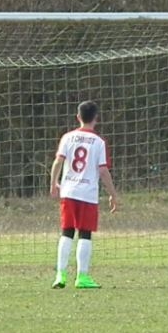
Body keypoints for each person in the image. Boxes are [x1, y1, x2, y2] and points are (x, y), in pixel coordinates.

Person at [49, 101, 118, 289]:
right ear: (96, 118)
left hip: (69, 191)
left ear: (78, 117)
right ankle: (82, 277)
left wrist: (53, 184)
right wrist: (113, 194)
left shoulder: (68, 137)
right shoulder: (99, 142)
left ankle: (60, 275)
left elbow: (58, 161)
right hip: (87, 194)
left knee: (67, 232)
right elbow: (103, 170)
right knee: (85, 234)